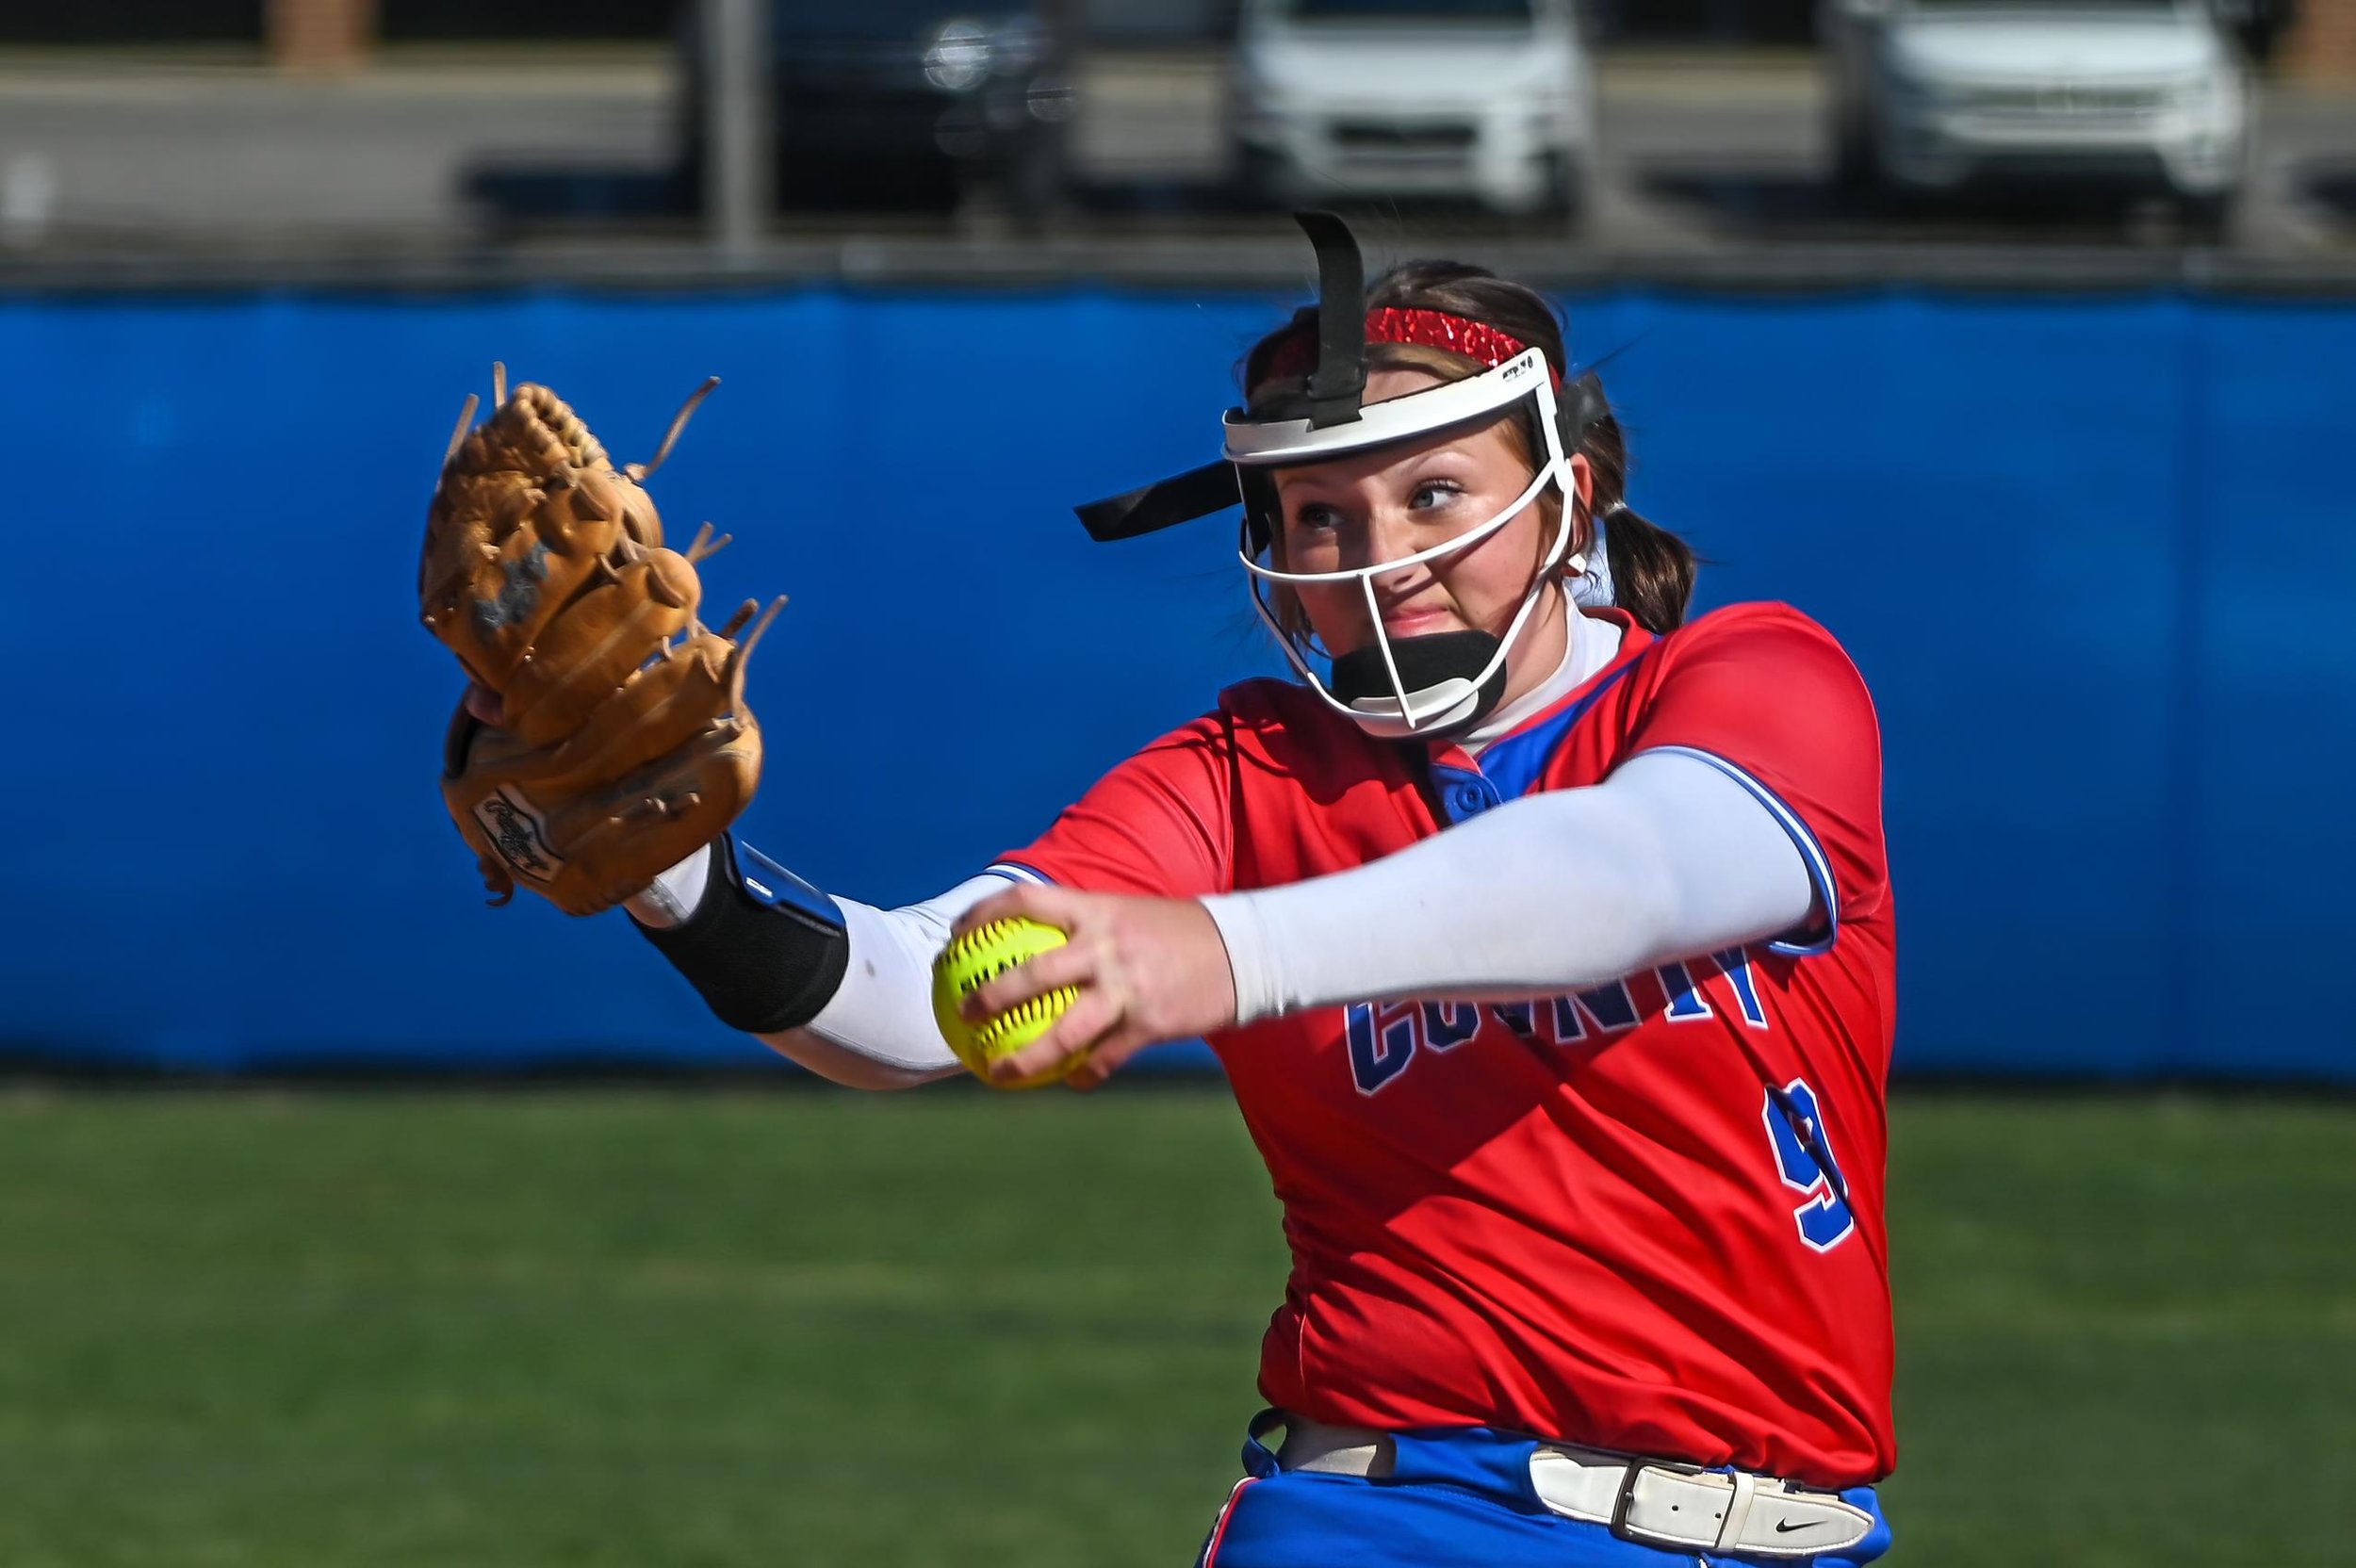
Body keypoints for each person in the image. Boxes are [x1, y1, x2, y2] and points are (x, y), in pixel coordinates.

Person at [622, 215, 1897, 1567]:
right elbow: (917, 998)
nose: (1379, 556)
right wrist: (665, 869)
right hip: (1380, 1517)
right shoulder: (1249, 774)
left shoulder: (1748, 681)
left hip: (1773, 1535)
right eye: (1321, 514)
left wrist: (1218, 953)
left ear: (1566, 496)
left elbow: (1630, 875)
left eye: (1435, 493)